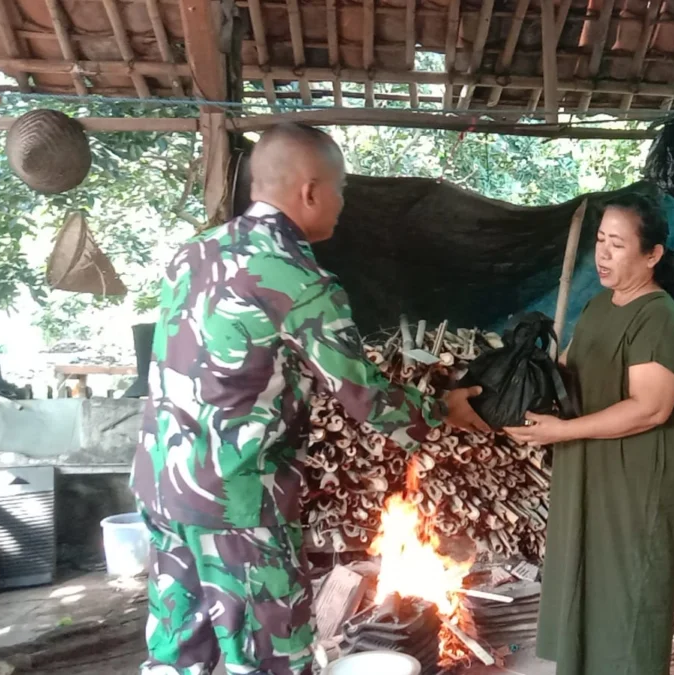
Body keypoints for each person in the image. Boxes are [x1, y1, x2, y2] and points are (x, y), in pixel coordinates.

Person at [130, 123, 487, 675]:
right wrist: (445, 411)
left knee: (178, 650)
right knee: (271, 659)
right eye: (341, 188)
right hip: (237, 503)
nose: (343, 203)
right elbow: (365, 395)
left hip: (164, 485)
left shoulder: (192, 254)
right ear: (311, 191)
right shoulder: (297, 279)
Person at [505, 190, 674, 675]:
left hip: (632, 488)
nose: (603, 254)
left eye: (618, 244)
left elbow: (650, 408)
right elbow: (563, 374)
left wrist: (564, 432)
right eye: (600, 241)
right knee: (586, 595)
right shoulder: (597, 309)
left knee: (628, 603)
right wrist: (503, 387)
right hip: (587, 476)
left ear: (652, 255)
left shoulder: (657, 317)